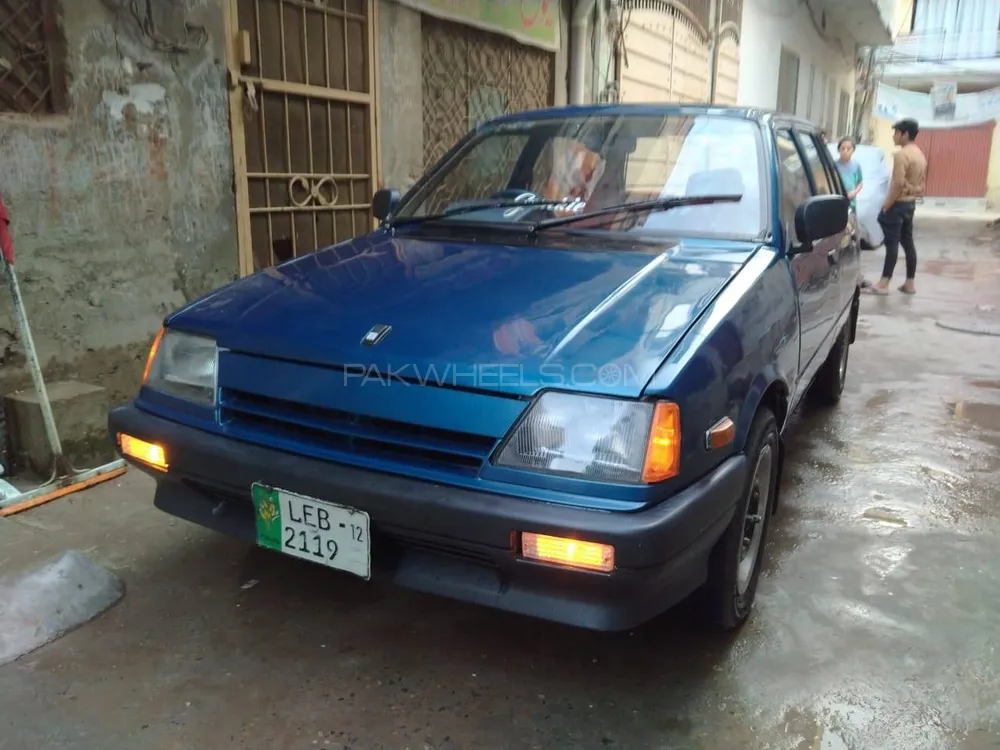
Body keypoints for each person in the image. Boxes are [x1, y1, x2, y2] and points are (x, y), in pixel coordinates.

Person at [871, 118, 926, 295]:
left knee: (892, 244)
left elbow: (897, 183)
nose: (894, 136)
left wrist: (886, 205)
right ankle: (910, 283)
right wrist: (912, 189)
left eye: (896, 132)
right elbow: (921, 187)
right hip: (910, 205)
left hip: (898, 204)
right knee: (908, 243)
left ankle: (884, 283)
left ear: (905, 134)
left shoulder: (902, 155)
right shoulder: (920, 155)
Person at [835, 137, 864, 208]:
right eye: (843, 148)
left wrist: (855, 192)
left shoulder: (856, 165)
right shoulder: (834, 165)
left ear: (853, 150)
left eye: (848, 148)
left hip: (851, 204)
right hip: (837, 202)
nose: (845, 151)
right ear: (839, 150)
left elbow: (860, 183)